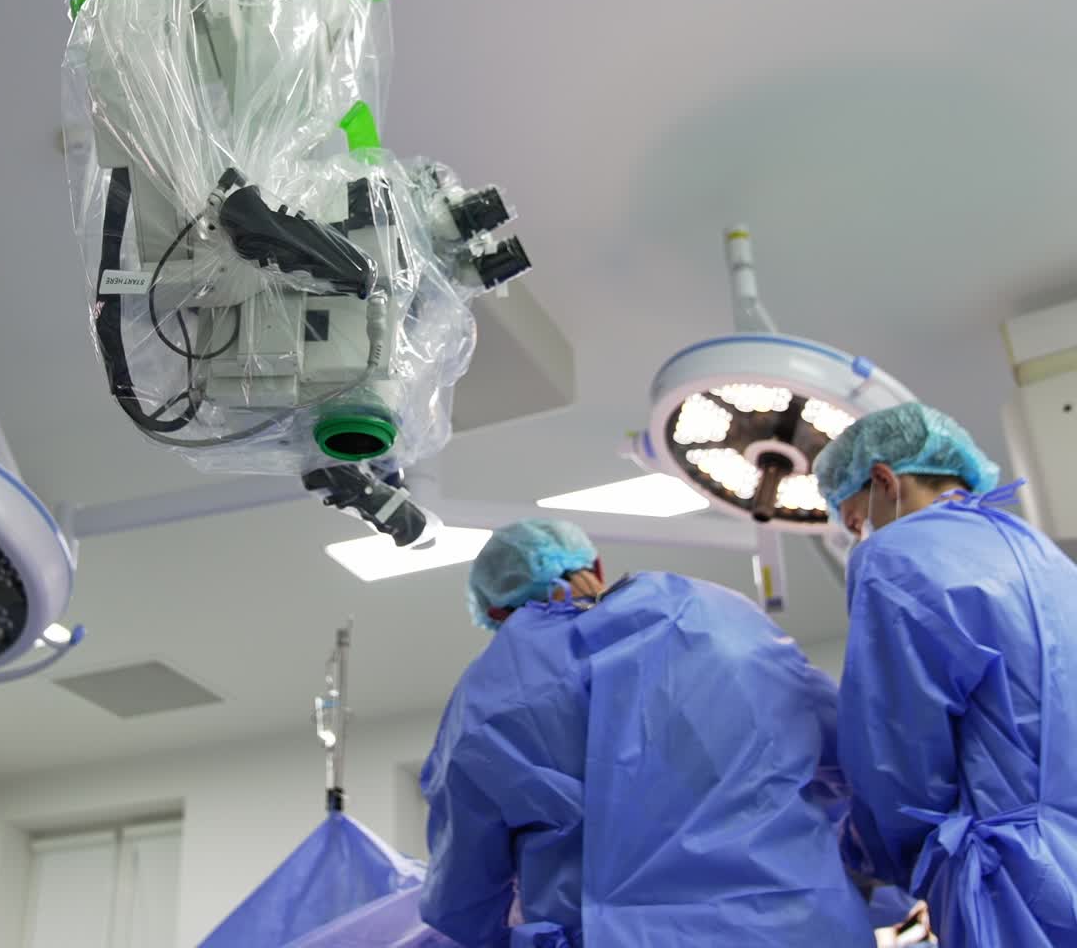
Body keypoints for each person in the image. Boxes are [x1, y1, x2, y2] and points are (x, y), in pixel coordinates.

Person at [418, 518, 876, 948]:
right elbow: (853, 756)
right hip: (804, 922)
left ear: (496, 611)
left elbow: (462, 899)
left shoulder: (489, 691)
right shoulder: (716, 615)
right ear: (595, 565)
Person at [814, 401, 1077, 946]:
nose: (862, 538)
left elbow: (898, 755)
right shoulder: (1041, 553)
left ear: (885, 480)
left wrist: (875, 856)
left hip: (1019, 884)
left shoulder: (896, 555)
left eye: (857, 521)